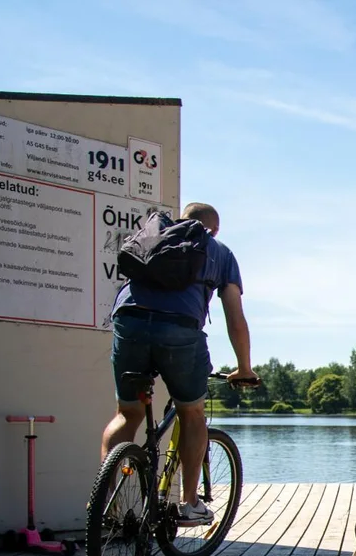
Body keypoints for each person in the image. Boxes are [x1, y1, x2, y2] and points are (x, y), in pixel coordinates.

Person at [100, 203, 258, 525]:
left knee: (127, 413)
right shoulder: (218, 251)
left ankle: (106, 505)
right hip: (179, 330)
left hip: (127, 321)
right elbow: (235, 319)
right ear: (212, 230)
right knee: (192, 413)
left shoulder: (153, 237)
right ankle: (189, 504)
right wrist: (244, 367)